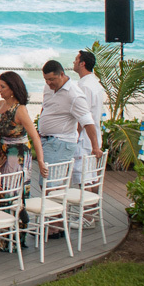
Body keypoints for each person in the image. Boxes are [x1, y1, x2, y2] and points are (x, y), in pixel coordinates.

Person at [38, 60, 102, 195]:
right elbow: (46, 107)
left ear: (61, 74)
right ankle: (57, 213)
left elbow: (88, 122)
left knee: (49, 184)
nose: (49, 83)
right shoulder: (48, 88)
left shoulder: (74, 94)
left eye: (51, 79)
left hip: (61, 142)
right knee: (51, 183)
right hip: (46, 140)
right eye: (46, 79)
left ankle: (53, 214)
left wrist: (95, 147)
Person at [0, 71, 48, 181]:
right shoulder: (0, 105)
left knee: (11, 189)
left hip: (17, 154)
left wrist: (40, 162)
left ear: (12, 89)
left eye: (2, 86)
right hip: (2, 154)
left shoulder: (20, 110)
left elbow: (34, 136)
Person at [72, 50, 106, 186]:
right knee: (91, 177)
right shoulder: (95, 83)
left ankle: (86, 206)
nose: (74, 62)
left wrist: (76, 135)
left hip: (85, 140)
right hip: (94, 135)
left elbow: (83, 115)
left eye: (76, 60)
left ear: (82, 63)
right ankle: (93, 205)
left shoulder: (84, 86)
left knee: (84, 180)